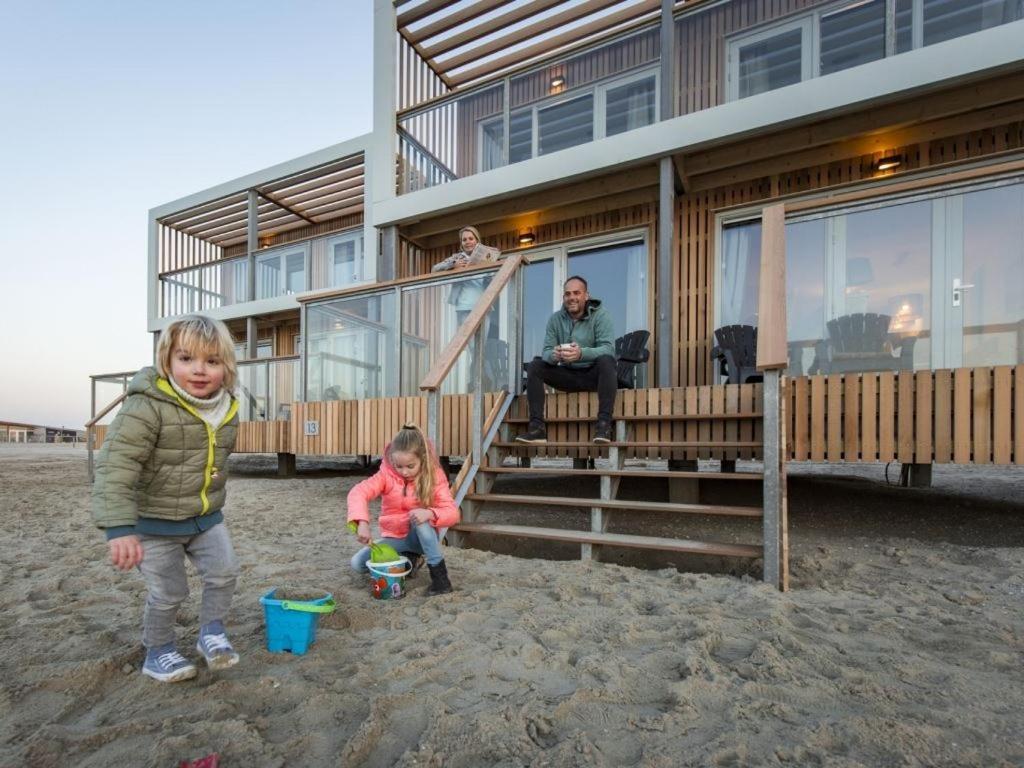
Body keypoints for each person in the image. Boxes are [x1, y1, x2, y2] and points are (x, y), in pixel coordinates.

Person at [91, 314, 241, 683]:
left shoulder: (226, 409)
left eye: (212, 361)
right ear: (167, 361)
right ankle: (157, 651)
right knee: (169, 591)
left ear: (226, 367)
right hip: (152, 523)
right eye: (186, 358)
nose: (199, 370)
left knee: (224, 572)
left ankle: (211, 633)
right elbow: (116, 465)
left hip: (204, 518)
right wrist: (119, 527)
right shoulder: (148, 405)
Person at [347, 423, 458, 596]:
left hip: (422, 538)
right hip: (396, 538)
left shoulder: (434, 476)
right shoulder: (386, 476)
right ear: (392, 460)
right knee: (358, 564)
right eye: (399, 466)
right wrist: (362, 522)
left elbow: (452, 513)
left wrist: (429, 512)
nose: (404, 472)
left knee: (419, 517)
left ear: (423, 459)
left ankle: (440, 579)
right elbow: (358, 492)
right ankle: (409, 560)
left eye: (410, 466)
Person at [516, 276, 617, 445]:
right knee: (536, 365)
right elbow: (546, 351)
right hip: (568, 375)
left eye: (577, 293)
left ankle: (604, 426)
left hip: (593, 376)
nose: (572, 297)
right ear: (564, 297)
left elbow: (608, 348)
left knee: (607, 360)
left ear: (586, 295)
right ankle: (537, 429)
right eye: (568, 294)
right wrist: (553, 356)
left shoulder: (601, 315)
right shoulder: (555, 319)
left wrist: (581, 354)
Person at [431, 225, 503, 389]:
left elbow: (494, 280)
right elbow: (434, 269)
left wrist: (491, 266)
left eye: (471, 238)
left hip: (484, 307)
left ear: (477, 240)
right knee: (473, 348)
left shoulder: (484, 256)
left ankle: (477, 382)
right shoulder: (457, 258)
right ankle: (482, 382)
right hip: (464, 308)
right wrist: (452, 266)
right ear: (461, 243)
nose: (468, 242)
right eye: (464, 239)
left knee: (480, 349)